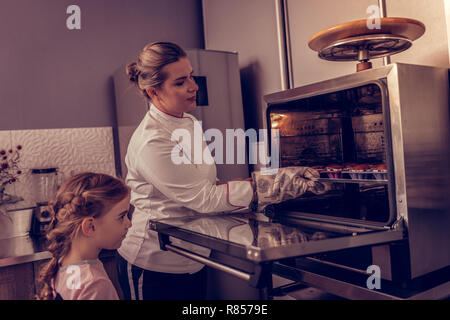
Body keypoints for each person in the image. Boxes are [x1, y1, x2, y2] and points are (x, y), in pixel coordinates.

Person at [116, 41, 255, 300]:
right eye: (180, 82)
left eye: (190, 76)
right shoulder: (152, 140)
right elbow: (202, 199)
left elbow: (202, 185)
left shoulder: (188, 122)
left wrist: (243, 184)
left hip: (193, 256)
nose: (193, 86)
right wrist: (261, 189)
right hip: (154, 262)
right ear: (153, 92)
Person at [37, 172, 132, 300]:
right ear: (90, 227)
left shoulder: (63, 263)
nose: (129, 223)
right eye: (122, 216)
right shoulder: (95, 285)